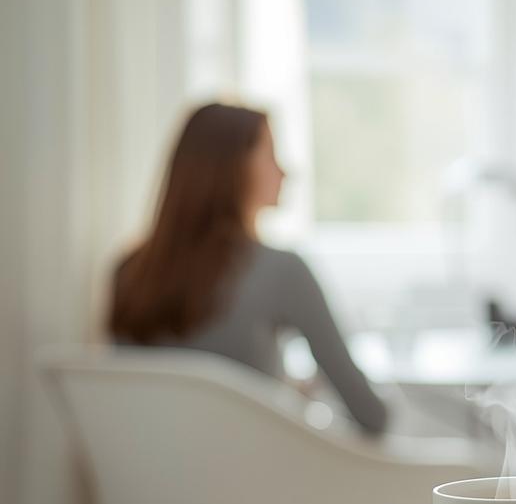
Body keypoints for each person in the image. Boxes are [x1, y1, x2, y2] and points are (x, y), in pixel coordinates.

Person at [109, 102, 389, 434]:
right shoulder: (283, 271)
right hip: (256, 482)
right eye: (270, 154)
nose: (285, 172)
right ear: (233, 169)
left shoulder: (127, 271)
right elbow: (370, 415)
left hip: (151, 482)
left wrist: (278, 391)